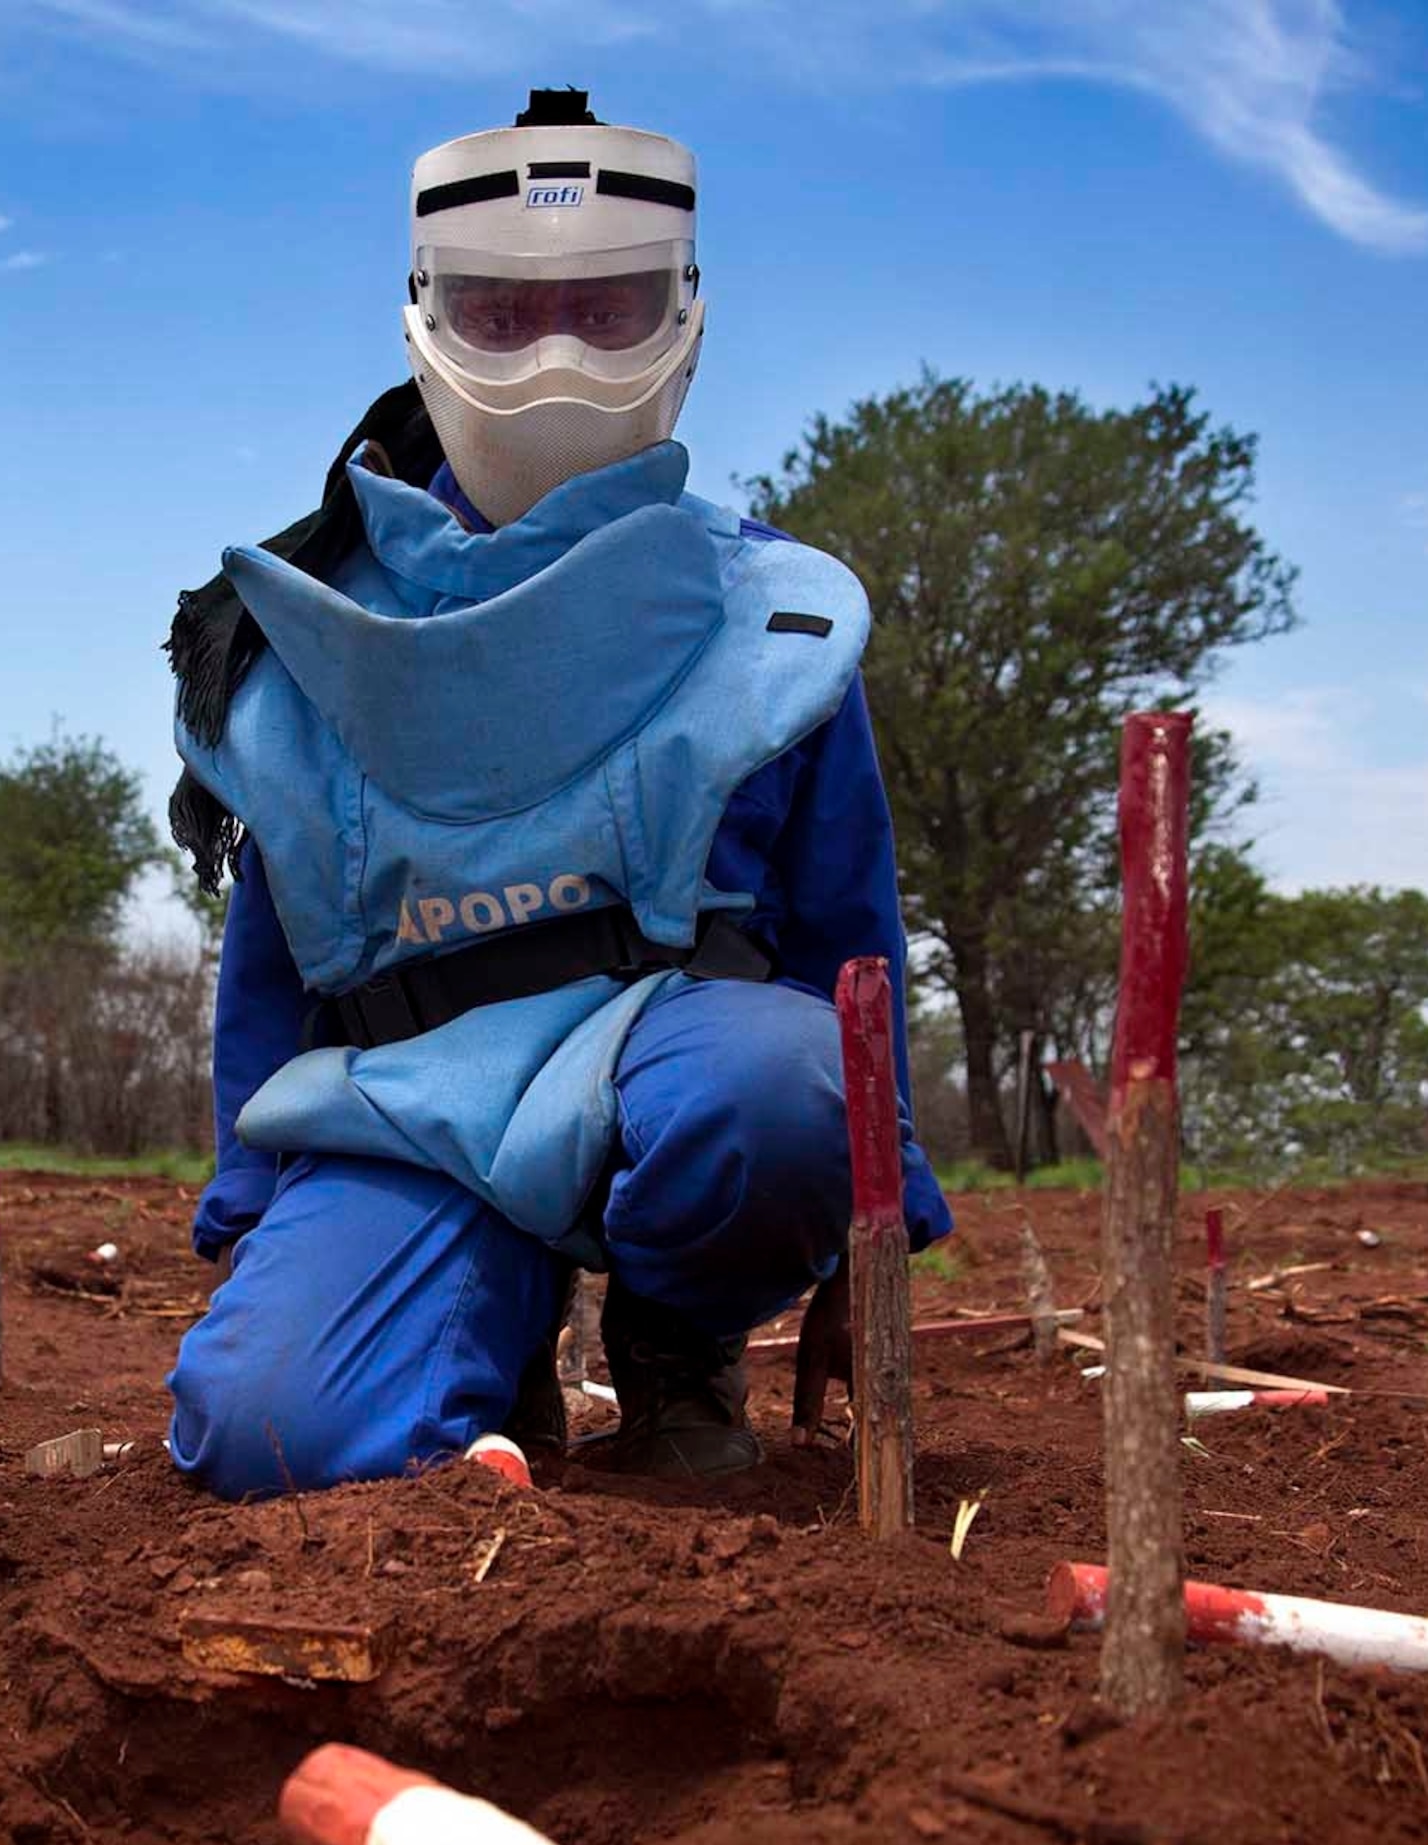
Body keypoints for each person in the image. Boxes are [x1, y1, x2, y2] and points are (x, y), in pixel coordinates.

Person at [161, 89, 951, 1499]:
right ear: (425, 318)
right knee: (268, 1430)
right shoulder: (306, 636)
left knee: (782, 1088)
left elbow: (851, 939)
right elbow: (271, 969)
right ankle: (486, 1346)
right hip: (405, 1100)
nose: (558, 363)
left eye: (609, 307)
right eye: (505, 316)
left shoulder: (771, 624)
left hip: (680, 1069)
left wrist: (877, 1212)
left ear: (686, 315)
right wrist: (260, 1228)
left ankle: (675, 1344)